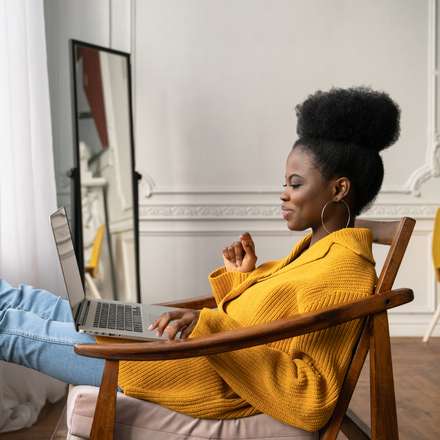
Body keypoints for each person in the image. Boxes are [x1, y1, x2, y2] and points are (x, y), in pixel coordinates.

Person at [0, 86, 400, 432]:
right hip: (182, 352)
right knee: (21, 300)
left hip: (183, 370)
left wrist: (205, 326)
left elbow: (310, 397)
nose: (283, 193)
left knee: (8, 326)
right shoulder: (317, 251)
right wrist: (241, 281)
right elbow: (267, 328)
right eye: (285, 182)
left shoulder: (343, 270)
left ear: (338, 188)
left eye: (295, 184)